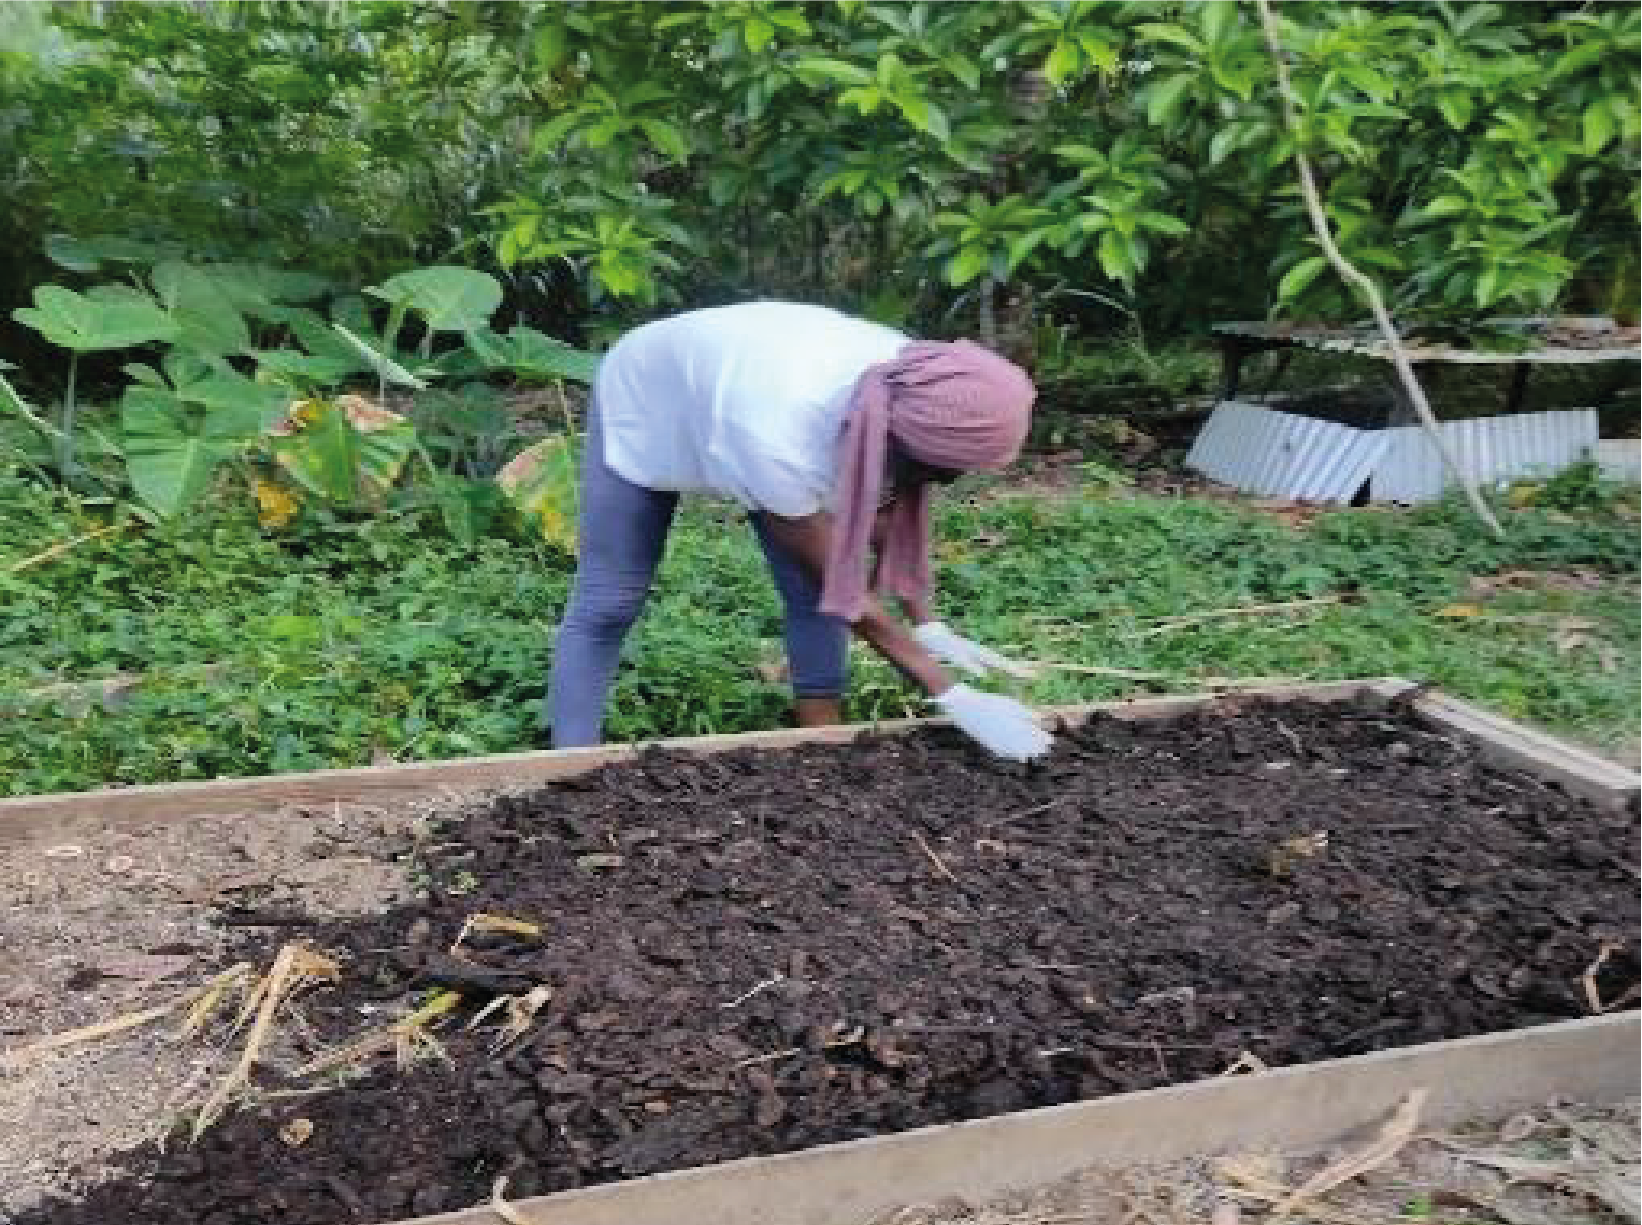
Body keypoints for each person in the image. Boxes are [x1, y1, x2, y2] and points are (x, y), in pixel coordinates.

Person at [545, 301, 1052, 761]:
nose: (950, 483)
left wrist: (927, 622)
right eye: (946, 471)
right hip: (651, 393)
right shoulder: (778, 436)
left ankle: (820, 741)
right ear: (901, 442)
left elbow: (897, 504)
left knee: (810, 595)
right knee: (609, 599)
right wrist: (948, 692)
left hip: (747, 383)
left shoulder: (912, 384)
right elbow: (838, 578)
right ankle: (570, 762)